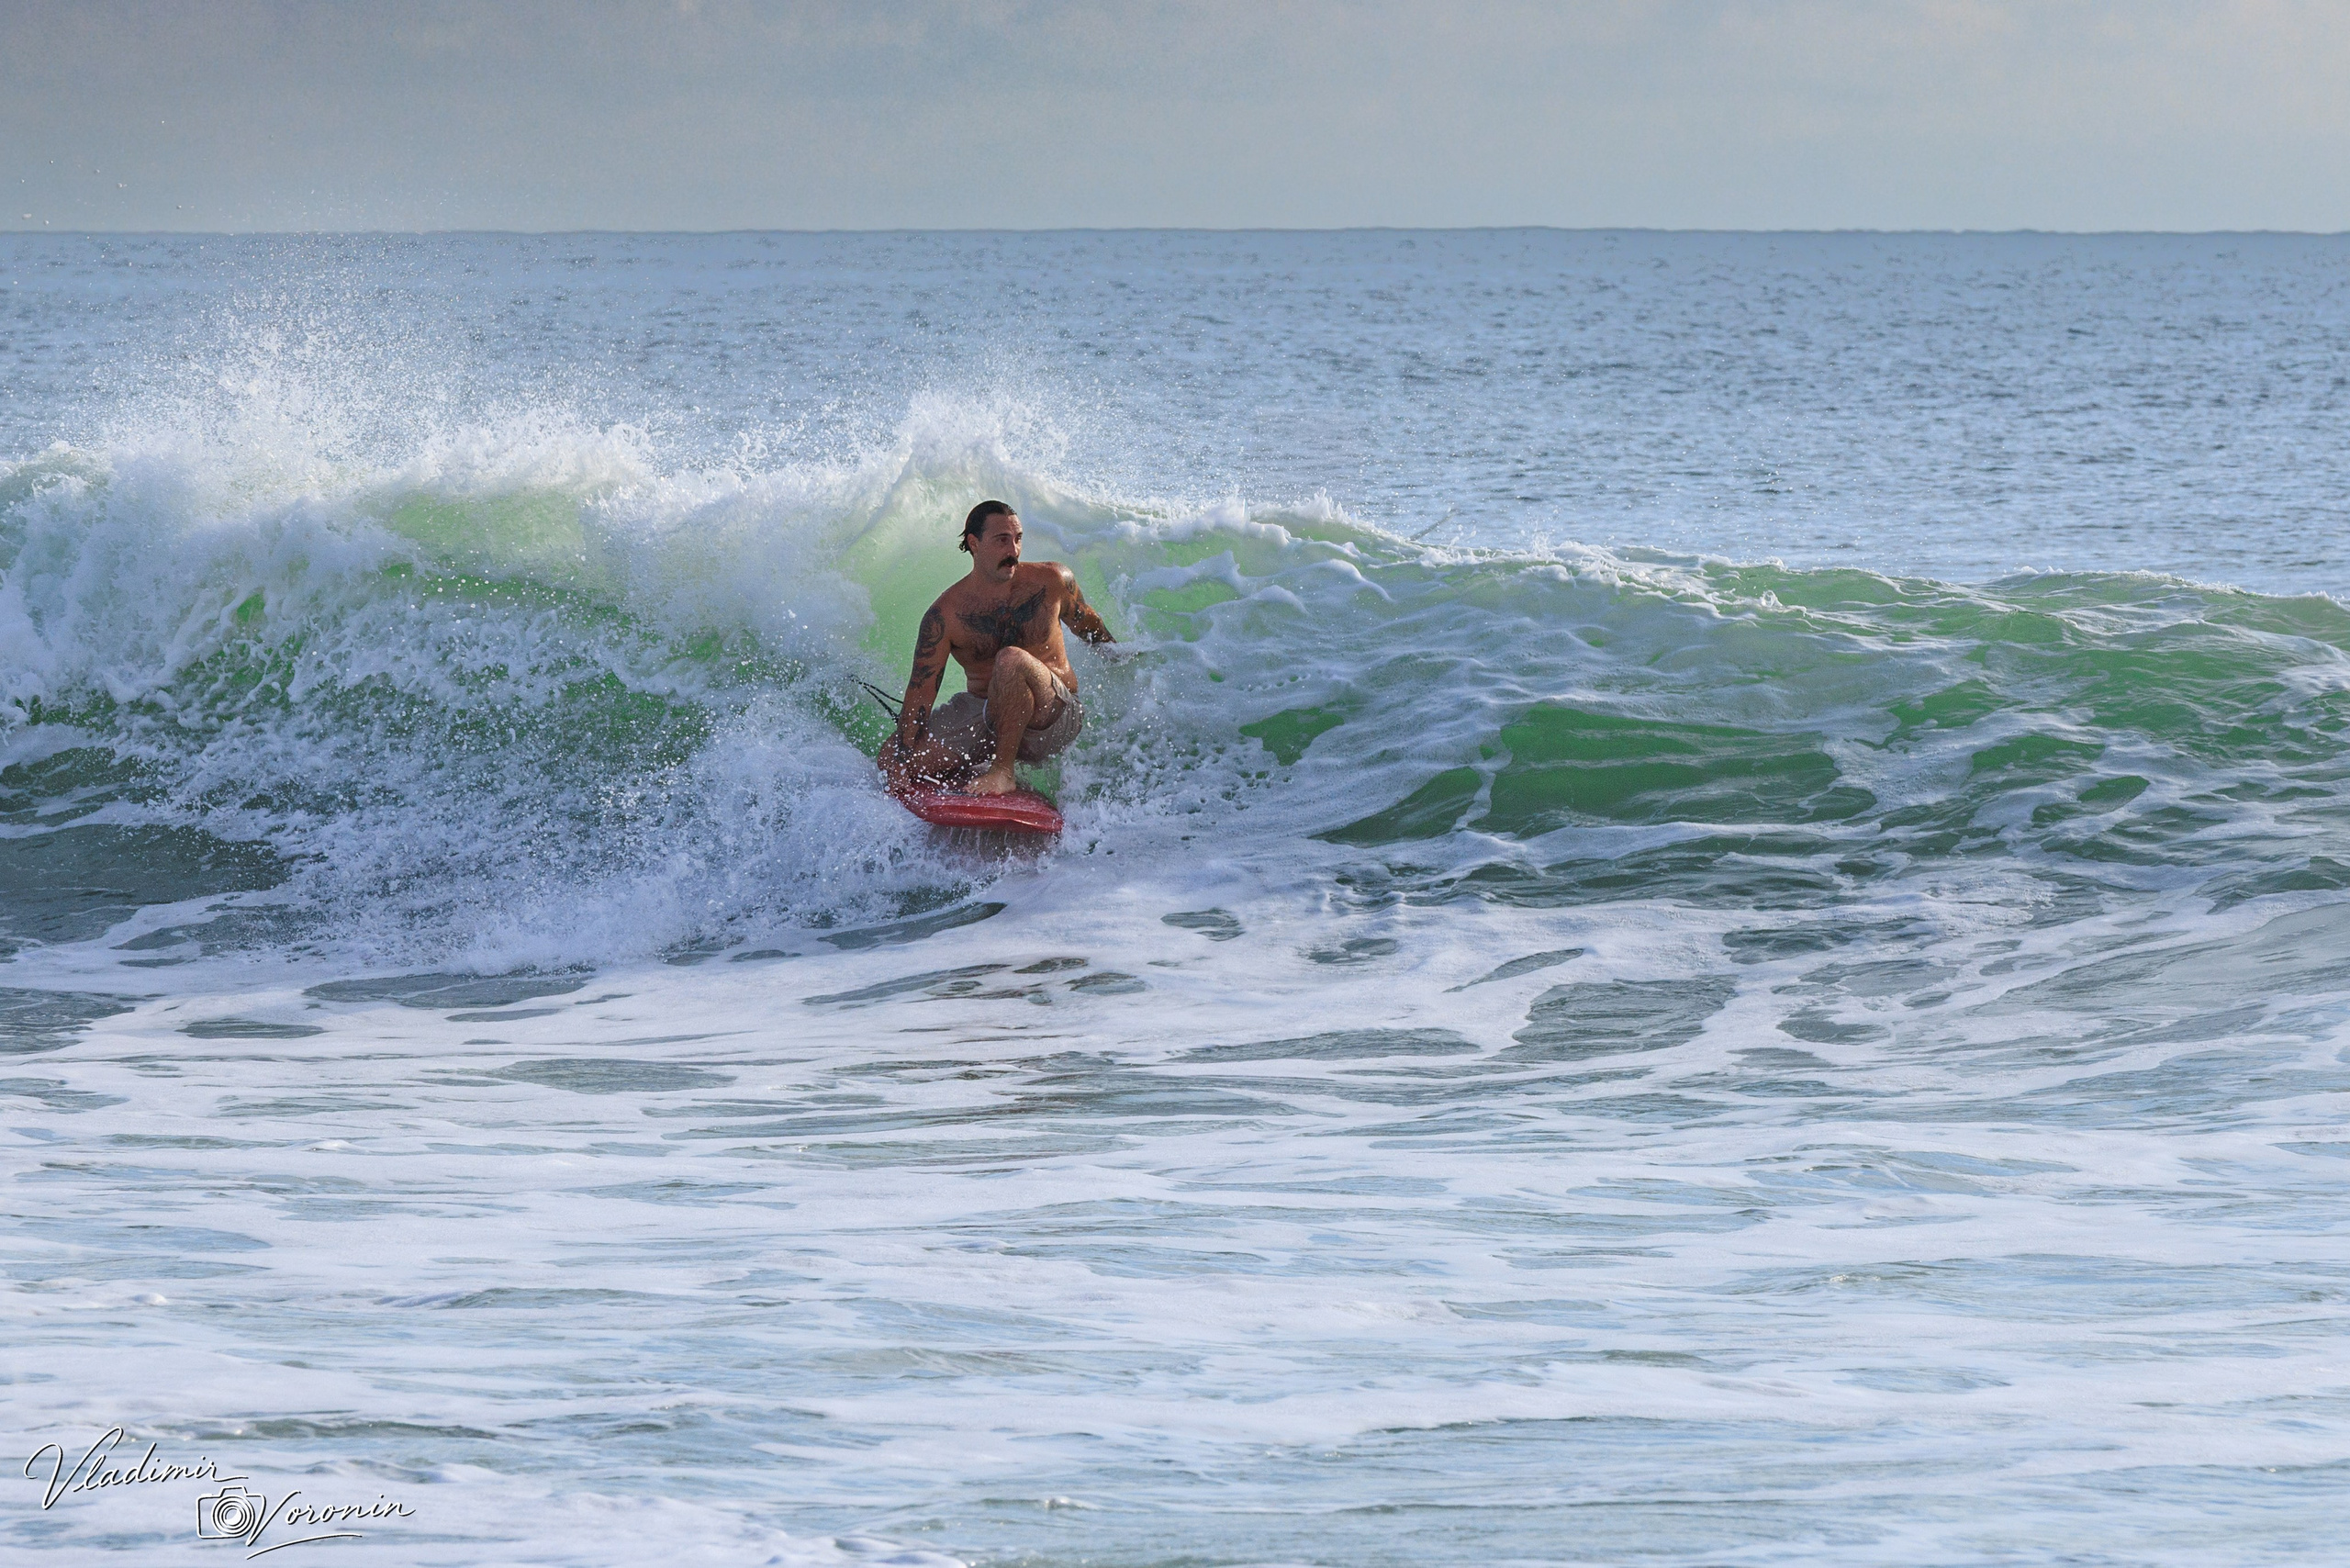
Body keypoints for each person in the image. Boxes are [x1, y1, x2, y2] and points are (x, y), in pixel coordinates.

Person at [878, 500, 1115, 797]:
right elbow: (920, 692)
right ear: (974, 544)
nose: (1013, 551)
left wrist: (1120, 659)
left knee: (1011, 659)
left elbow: (1091, 627)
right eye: (1002, 540)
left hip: (1053, 715)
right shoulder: (946, 615)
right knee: (890, 757)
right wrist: (903, 759)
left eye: (1017, 539)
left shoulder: (1052, 581)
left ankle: (1003, 772)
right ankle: (976, 769)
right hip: (989, 715)